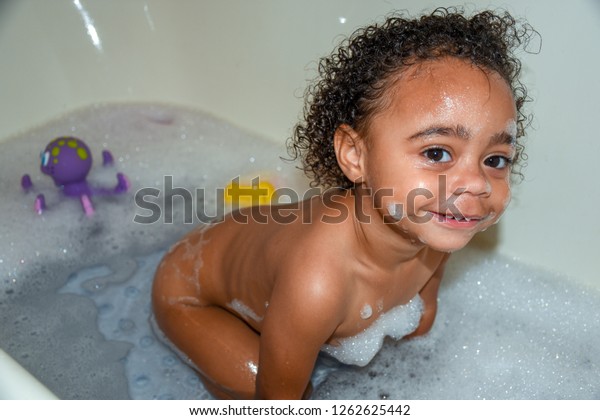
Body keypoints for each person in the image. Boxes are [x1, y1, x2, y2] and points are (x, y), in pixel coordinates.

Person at [152, 7, 532, 399]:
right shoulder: (320, 281)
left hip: (266, 274)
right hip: (189, 295)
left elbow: (431, 279)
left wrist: (425, 312)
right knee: (280, 391)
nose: (475, 183)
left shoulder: (437, 218)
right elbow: (278, 402)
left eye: (495, 160)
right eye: (437, 153)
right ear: (355, 155)